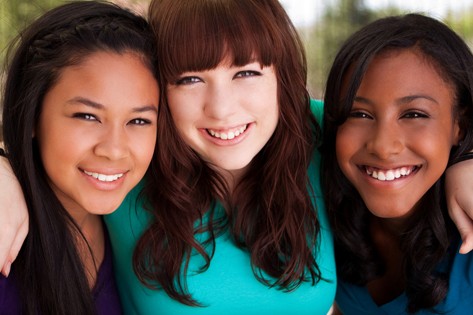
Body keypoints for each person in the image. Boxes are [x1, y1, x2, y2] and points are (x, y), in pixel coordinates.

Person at [0, 1, 159, 314]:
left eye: (139, 121)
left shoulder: (147, 220)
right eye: (87, 116)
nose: (114, 149)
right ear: (32, 115)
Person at [321, 13, 473, 314]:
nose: (383, 146)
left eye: (414, 114)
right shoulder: (324, 215)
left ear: (461, 124)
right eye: (359, 114)